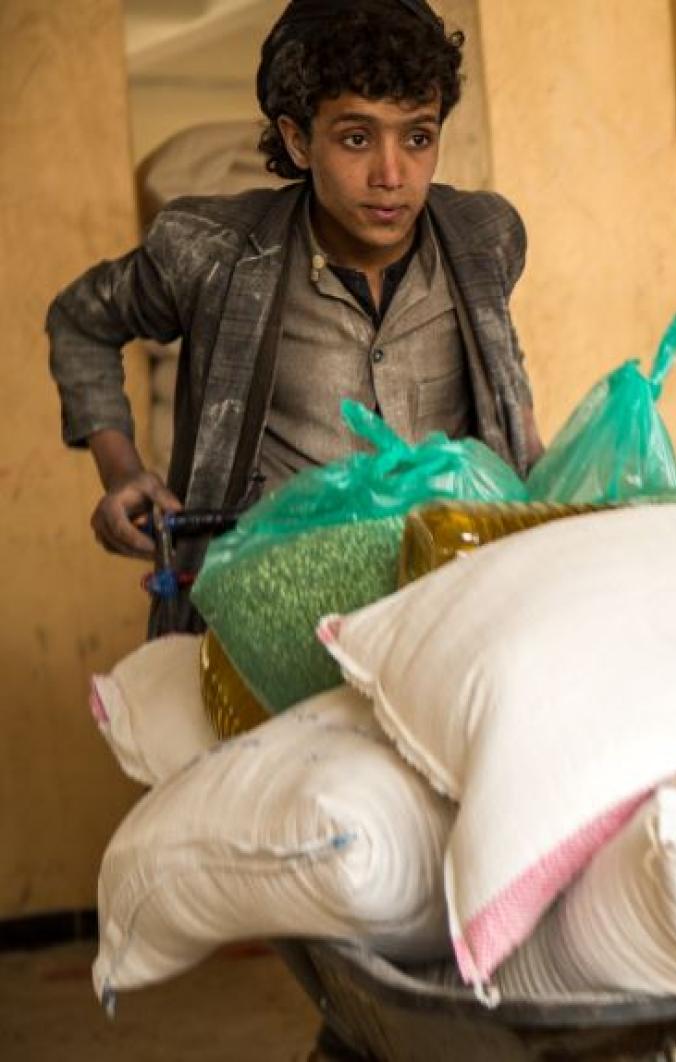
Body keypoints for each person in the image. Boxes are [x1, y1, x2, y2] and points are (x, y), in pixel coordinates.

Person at [45, 0, 543, 634]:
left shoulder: (485, 238)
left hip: (450, 607)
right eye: (357, 138)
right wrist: (121, 473)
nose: (392, 175)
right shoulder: (213, 254)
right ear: (297, 139)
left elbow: (503, 373)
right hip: (273, 615)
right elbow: (81, 321)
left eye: (418, 136)